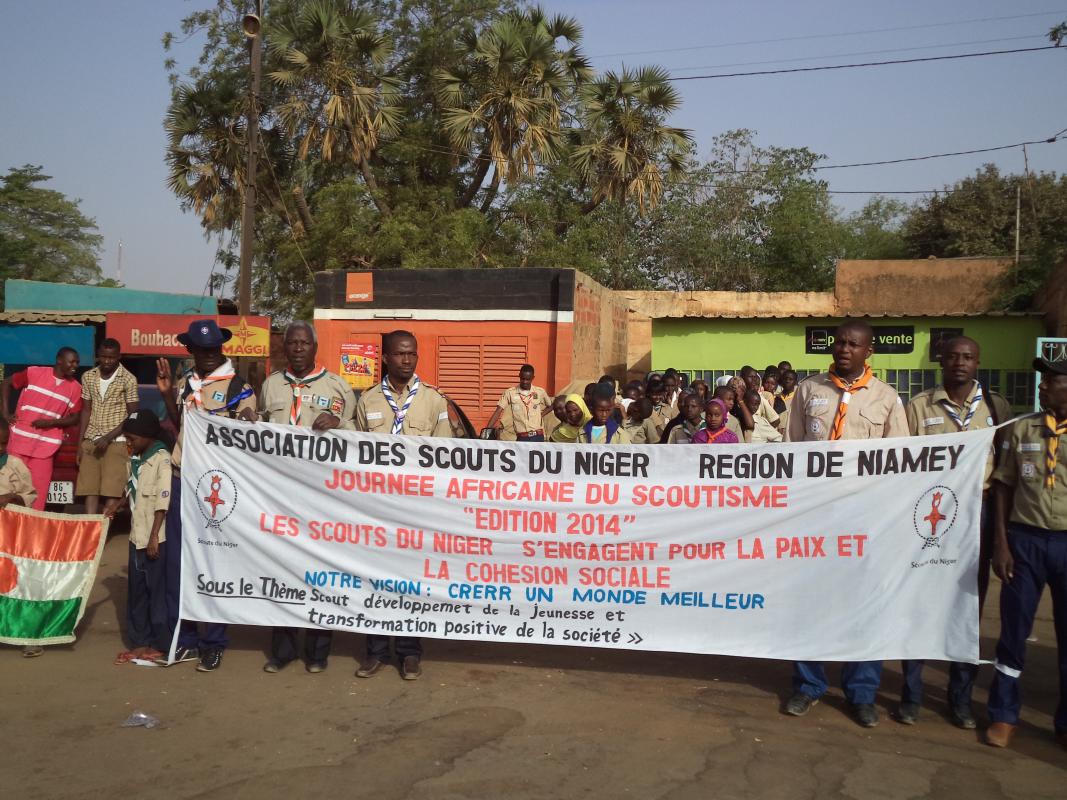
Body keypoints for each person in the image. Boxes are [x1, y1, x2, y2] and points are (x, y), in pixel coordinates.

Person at [783, 319, 908, 728]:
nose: (844, 349)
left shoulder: (887, 398)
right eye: (839, 342)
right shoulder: (808, 390)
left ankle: (862, 691)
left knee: (865, 604)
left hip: (867, 519)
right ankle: (809, 684)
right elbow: (791, 456)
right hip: (816, 517)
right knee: (811, 601)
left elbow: (900, 464)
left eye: (853, 344)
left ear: (868, 351)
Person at [897, 336, 1010, 728]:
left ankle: (959, 699)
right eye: (952, 357)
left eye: (968, 357)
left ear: (978, 362)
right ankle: (910, 695)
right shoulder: (918, 406)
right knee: (920, 605)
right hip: (930, 515)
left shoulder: (996, 408)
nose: (960, 363)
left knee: (967, 612)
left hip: (976, 516)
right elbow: (901, 466)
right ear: (940, 361)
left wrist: (999, 536)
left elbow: (1004, 478)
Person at [157, 320, 257, 673]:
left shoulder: (238, 387)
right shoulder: (186, 385)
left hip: (217, 487)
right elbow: (178, 428)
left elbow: (247, 430)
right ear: (192, 352)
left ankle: (213, 642)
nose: (210, 355)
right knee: (179, 565)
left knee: (215, 564)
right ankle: (183, 639)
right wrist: (169, 394)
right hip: (183, 479)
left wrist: (248, 419)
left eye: (215, 349)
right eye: (203, 350)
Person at [354, 330, 453, 680]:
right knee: (377, 580)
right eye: (399, 354)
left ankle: (410, 653)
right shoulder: (367, 402)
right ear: (385, 358)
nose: (406, 360)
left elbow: (444, 454)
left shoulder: (433, 401)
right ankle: (376, 651)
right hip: (378, 508)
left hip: (416, 509)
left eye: (412, 354)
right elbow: (353, 456)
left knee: (412, 582)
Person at [259, 321, 356, 674]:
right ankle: (282, 651)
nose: (298, 349)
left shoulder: (337, 386)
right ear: (284, 348)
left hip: (320, 498)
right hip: (280, 496)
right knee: (282, 571)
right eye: (292, 343)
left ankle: (317, 653)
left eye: (304, 343)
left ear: (315, 348)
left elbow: (359, 438)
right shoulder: (270, 386)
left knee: (319, 573)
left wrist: (339, 423)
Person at [984, 356, 1067, 750]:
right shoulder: (1022, 428)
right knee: (1014, 632)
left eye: (1051, 380)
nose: (1042, 386)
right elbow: (1003, 486)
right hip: (1024, 541)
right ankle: (1004, 714)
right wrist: (1001, 543)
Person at [104, 410, 171, 666]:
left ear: (146, 436)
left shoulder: (161, 460)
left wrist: (154, 536)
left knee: (157, 593)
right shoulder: (135, 458)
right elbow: (132, 486)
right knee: (137, 592)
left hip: (155, 537)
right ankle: (139, 641)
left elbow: (163, 501)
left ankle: (159, 643)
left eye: (131, 437)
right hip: (136, 536)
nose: (128, 442)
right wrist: (117, 505)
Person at [0, 347, 82, 510]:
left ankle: (33, 533)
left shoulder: (75, 388)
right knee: (10, 491)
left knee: (38, 495)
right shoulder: (33, 373)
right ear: (59, 360)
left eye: (77, 362)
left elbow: (75, 417)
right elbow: (6, 383)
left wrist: (50, 423)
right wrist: (5, 413)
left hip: (45, 450)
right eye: (71, 361)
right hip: (18, 444)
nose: (75, 365)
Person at [76, 339, 139, 515]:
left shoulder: (128, 379)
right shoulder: (88, 376)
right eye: (103, 356)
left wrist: (109, 437)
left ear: (119, 356)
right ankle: (91, 531)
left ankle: (103, 531)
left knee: (111, 490)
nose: (107, 361)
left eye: (111, 357)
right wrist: (80, 444)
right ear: (98, 356)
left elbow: (132, 415)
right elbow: (86, 410)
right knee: (90, 489)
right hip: (92, 440)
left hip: (117, 442)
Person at [487, 365, 552, 442]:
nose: (525, 382)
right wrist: (486, 430)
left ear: (533, 378)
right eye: (522, 378)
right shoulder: (510, 393)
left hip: (537, 436)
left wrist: (541, 415)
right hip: (521, 437)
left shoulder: (540, 392)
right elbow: (498, 411)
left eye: (528, 379)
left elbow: (550, 406)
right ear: (519, 376)